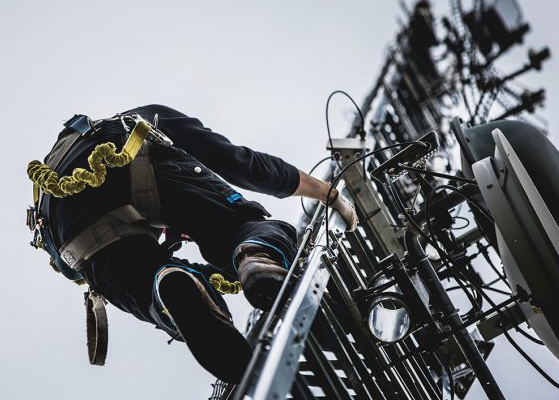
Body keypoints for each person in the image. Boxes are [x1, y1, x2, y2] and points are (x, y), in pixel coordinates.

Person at [26, 104, 357, 384]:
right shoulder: (142, 118)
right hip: (133, 154)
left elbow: (76, 270)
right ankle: (256, 256)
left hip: (67, 228)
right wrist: (327, 193)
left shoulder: (53, 181)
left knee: (150, 279)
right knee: (239, 229)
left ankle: (168, 283)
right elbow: (242, 163)